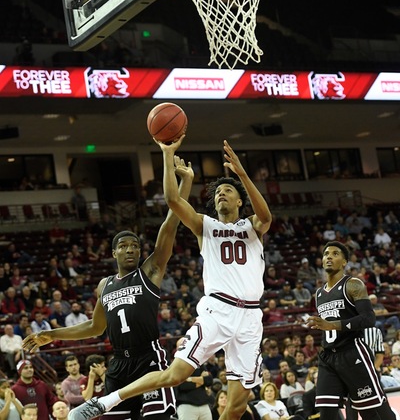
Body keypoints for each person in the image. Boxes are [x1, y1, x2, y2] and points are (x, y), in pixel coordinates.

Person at [63, 137, 272, 420]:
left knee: (237, 404)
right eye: (218, 192)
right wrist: (166, 153)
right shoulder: (204, 225)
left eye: (227, 191)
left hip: (250, 316)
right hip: (218, 310)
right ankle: (105, 402)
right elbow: (173, 200)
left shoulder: (253, 226)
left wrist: (242, 175)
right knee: (174, 374)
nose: (221, 194)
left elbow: (266, 215)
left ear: (238, 200)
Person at [23, 156, 194, 420]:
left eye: (135, 246)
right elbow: (94, 327)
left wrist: (185, 182)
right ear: (114, 252)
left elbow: (171, 222)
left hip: (148, 358)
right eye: (124, 246)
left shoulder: (150, 271)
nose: (130, 250)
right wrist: (52, 334)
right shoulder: (106, 284)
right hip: (118, 365)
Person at [306, 240, 396, 420]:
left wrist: (334, 325)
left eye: (335, 254)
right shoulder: (319, 294)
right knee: (327, 412)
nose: (329, 257)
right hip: (328, 357)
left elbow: (369, 318)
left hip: (352, 353)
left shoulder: (353, 284)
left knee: (372, 412)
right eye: (326, 254)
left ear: (345, 262)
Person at [174, 338, 213, 420]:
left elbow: (209, 380)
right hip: (186, 406)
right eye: (182, 345)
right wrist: (201, 380)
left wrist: (189, 379)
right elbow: (182, 386)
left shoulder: (198, 363)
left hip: (204, 405)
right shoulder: (175, 366)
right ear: (177, 349)